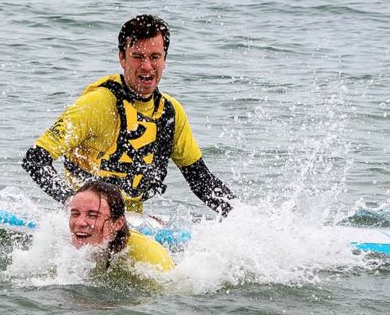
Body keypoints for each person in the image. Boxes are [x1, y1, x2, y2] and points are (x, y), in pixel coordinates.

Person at [22, 14, 236, 216]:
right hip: (83, 222)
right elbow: (35, 160)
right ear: (122, 58)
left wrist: (241, 217)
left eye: (155, 57)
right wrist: (76, 205)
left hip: (133, 221)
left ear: (165, 60)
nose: (147, 66)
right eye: (138, 57)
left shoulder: (170, 113)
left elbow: (201, 180)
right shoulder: (95, 104)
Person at [66, 181, 174, 273]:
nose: (80, 223)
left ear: (117, 223)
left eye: (93, 215)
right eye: (75, 214)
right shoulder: (59, 246)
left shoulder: (150, 258)